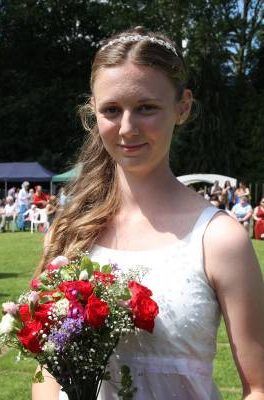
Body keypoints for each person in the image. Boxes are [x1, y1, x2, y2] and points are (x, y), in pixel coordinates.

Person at [32, 28, 264, 400]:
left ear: (182, 107)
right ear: (93, 111)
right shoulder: (69, 231)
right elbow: (46, 370)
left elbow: (258, 386)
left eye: (146, 108)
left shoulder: (219, 239)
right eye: (111, 110)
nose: (127, 128)